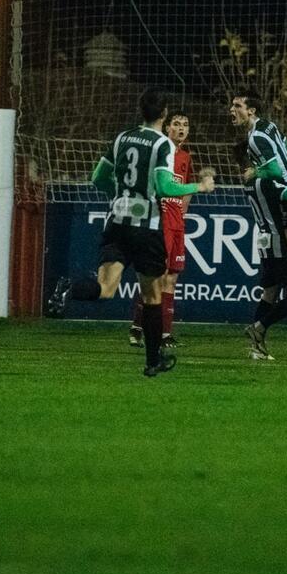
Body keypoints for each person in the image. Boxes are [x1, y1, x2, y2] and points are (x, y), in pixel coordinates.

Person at [46, 89, 214, 377]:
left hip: (116, 222)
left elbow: (98, 177)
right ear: (164, 115)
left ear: (141, 111)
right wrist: (199, 186)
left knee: (105, 288)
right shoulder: (163, 144)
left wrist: (121, 195)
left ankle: (69, 288)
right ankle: (152, 361)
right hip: (146, 228)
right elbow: (165, 188)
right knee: (153, 295)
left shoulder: (122, 138)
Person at [229, 93, 287, 361]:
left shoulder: (251, 180)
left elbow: (281, 152)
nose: (232, 109)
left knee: (270, 292)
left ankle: (257, 347)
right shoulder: (265, 181)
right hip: (279, 243)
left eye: (237, 105)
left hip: (265, 241)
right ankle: (259, 328)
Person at [129, 111, 192, 352]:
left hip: (177, 222)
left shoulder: (185, 156)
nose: (181, 128)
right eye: (176, 124)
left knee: (172, 277)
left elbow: (186, 187)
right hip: (161, 219)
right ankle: (138, 327)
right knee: (157, 274)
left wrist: (182, 212)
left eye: (185, 125)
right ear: (167, 128)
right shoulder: (159, 151)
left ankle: (165, 333)